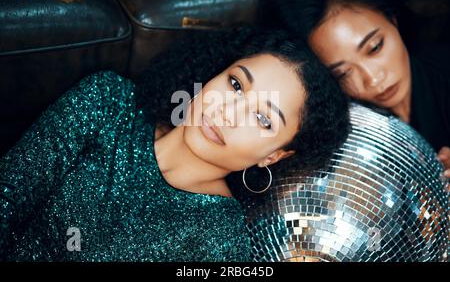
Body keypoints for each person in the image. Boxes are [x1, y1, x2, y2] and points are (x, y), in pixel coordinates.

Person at [0, 27, 350, 261]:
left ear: (274, 155)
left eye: (262, 119)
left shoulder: (221, 246)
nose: (227, 112)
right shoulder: (107, 101)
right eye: (236, 85)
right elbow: (8, 193)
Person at [277, 0, 450, 178]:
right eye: (343, 73)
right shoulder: (342, 133)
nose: (373, 79)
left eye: (375, 47)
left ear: (393, 20)